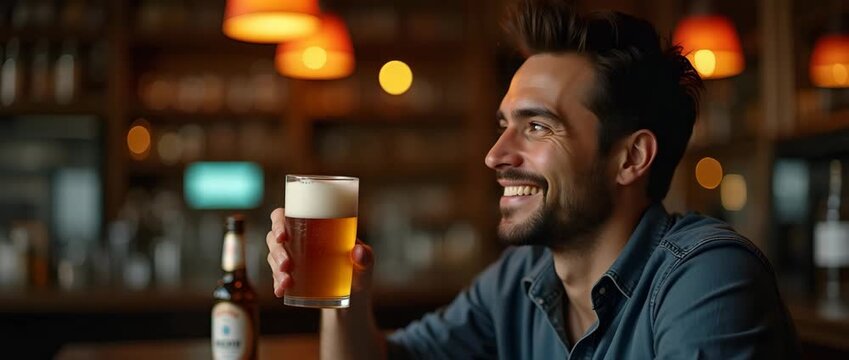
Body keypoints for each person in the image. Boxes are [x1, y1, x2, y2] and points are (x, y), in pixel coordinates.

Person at [266, 0, 800, 358]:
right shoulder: (519, 278)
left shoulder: (707, 276)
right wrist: (346, 296)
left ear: (631, 158)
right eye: (504, 126)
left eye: (537, 126)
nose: (496, 155)